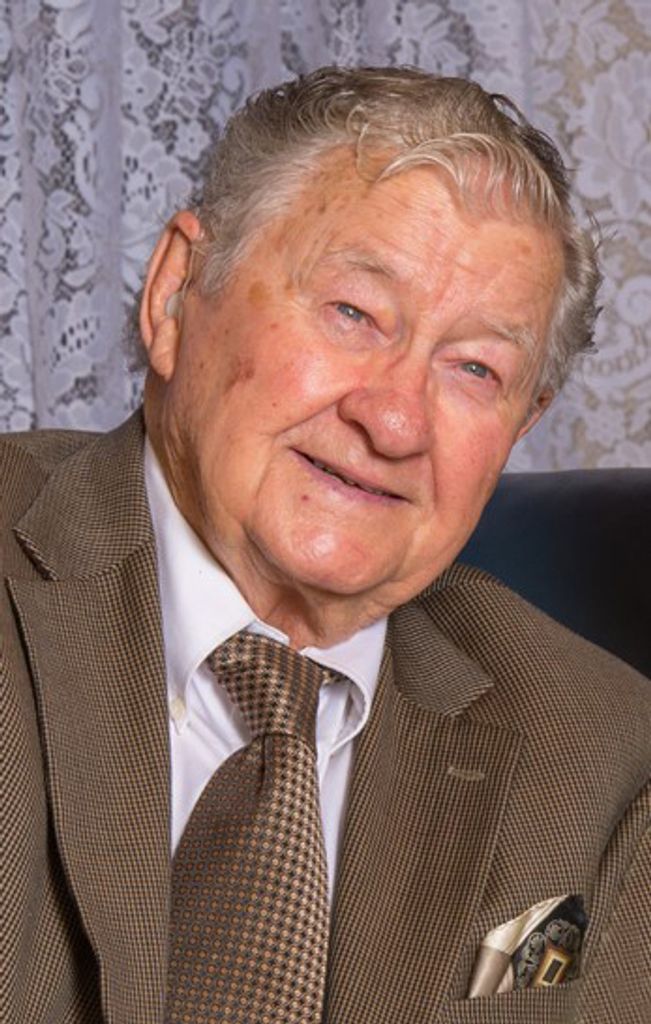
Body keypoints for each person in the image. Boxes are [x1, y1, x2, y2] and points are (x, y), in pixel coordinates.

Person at [1, 66, 649, 1024]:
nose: (395, 420)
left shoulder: (603, 754)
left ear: (522, 423)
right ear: (176, 293)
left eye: (475, 369)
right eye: (352, 313)